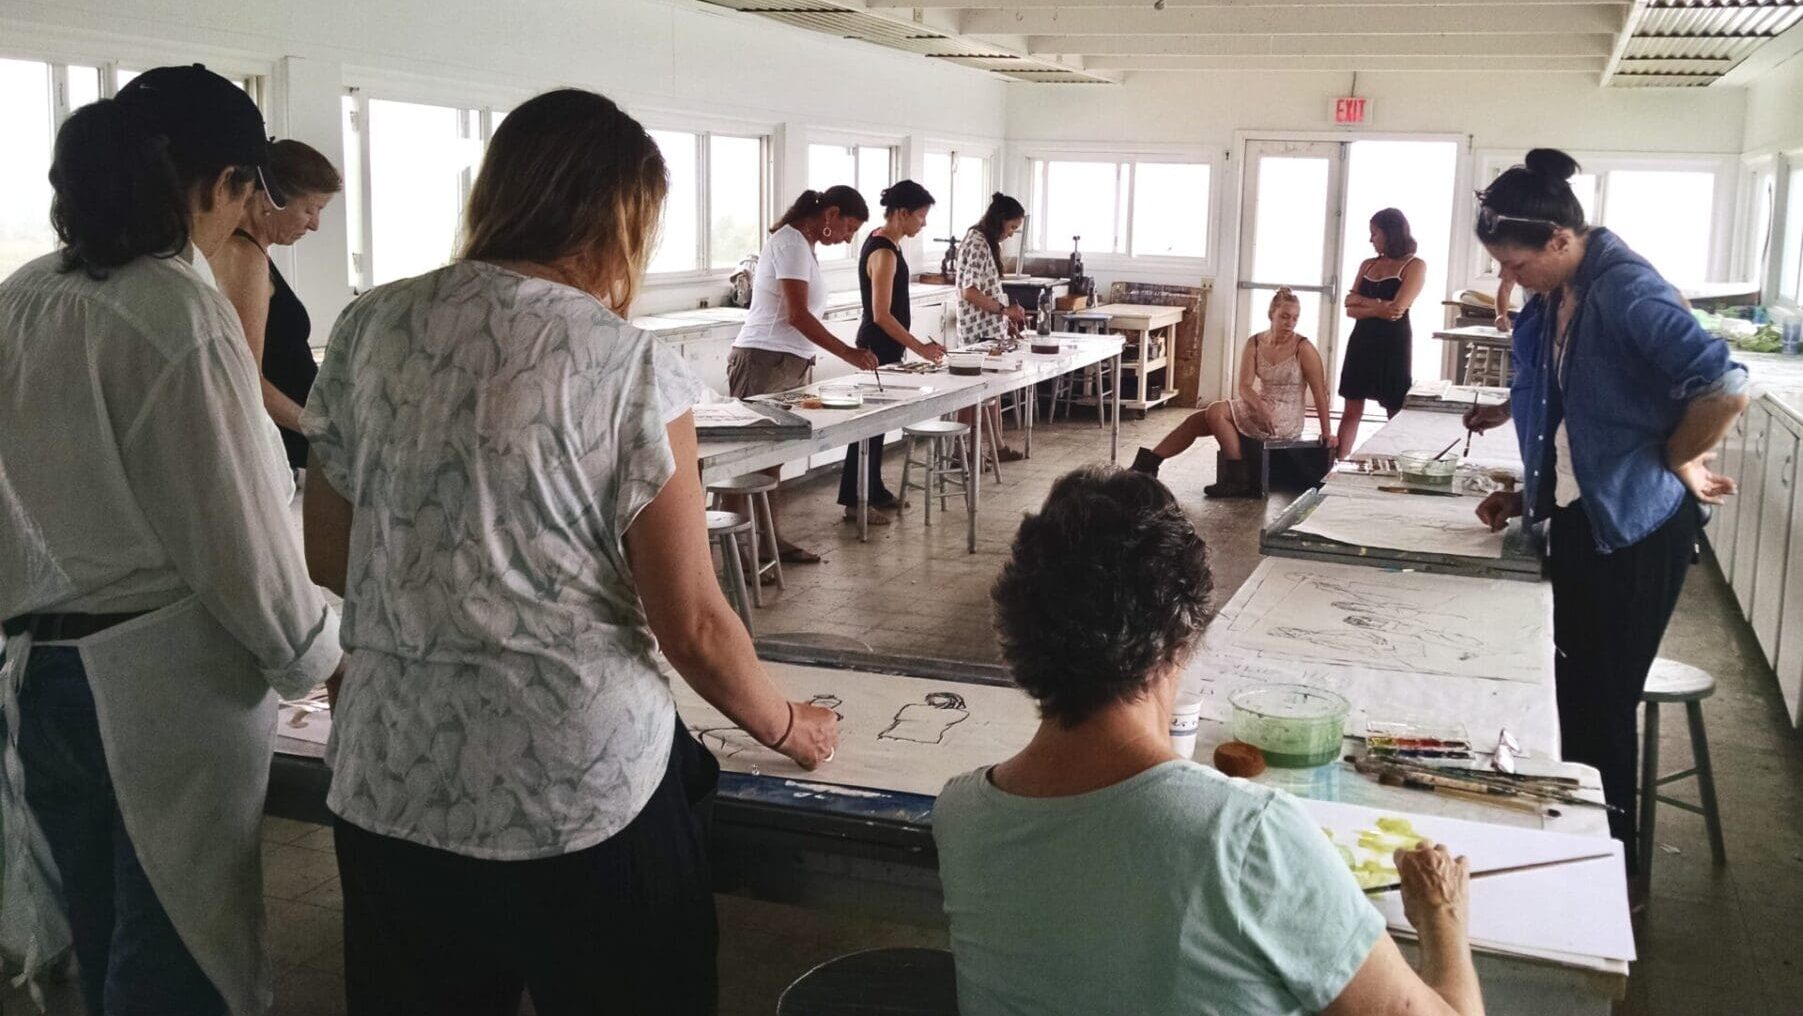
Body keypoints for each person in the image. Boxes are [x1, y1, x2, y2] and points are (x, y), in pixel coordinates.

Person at [300, 88, 838, 1015]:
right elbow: (695, 624)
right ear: (621, 218)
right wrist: (787, 726)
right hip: (576, 792)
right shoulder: (626, 363)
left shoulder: (368, 327)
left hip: (394, 777)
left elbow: (327, 554)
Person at [0, 65, 343, 1014]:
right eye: (249, 195)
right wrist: (322, 658)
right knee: (184, 954)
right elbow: (235, 535)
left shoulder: (21, 297)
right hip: (159, 689)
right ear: (223, 183)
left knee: (108, 925)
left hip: (43, 675)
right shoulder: (174, 311)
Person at [934, 467, 1485, 1016]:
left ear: (1015, 639)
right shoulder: (1241, 835)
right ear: (1184, 635)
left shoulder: (960, 813)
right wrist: (1442, 918)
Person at [1463, 148, 1747, 874]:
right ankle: (1574, 852)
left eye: (1515, 265)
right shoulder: (1559, 293)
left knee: (1599, 704)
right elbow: (1570, 410)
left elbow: (1722, 384)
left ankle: (1606, 874)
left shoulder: (1624, 291)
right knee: (1568, 691)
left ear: (1559, 241)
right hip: (1585, 517)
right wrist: (1533, 491)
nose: (1508, 280)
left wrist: (1677, 460)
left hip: (1635, 530)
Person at [727, 185, 874, 562]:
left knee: (771, 458)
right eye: (848, 227)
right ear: (831, 215)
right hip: (764, 362)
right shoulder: (791, 243)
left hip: (786, 363)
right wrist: (848, 353)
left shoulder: (802, 245)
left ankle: (768, 542)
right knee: (746, 458)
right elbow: (797, 315)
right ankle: (740, 552)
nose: (847, 238)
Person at [212, 139, 343, 471]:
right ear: (271, 198)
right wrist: (319, 429)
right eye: (310, 209)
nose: (314, 225)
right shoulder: (244, 258)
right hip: (284, 444)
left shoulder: (251, 252)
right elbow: (246, 379)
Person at [1131, 287, 1336, 496]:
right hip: (1260, 404)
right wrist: (1260, 408)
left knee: (1216, 411)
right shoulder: (1255, 342)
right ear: (1271, 314)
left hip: (1286, 415)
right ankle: (1147, 466)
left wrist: (1327, 432)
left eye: (1295, 318)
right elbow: (1244, 387)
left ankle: (1238, 480)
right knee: (1196, 421)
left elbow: (1320, 392)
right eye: (1284, 316)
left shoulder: (1304, 348)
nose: (1289, 323)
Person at [838, 179, 946, 525]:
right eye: (921, 216)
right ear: (901, 213)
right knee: (867, 425)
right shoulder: (883, 251)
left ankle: (874, 488)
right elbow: (882, 314)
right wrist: (921, 348)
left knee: (879, 423)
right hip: (876, 345)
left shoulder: (887, 244)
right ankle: (856, 501)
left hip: (887, 346)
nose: (923, 223)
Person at [1336, 208, 1426, 457]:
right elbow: (1349, 307)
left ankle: (1396, 460)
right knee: (1351, 406)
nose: (1371, 239)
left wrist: (1364, 302)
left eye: (1374, 233)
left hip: (1393, 343)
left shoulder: (1414, 266)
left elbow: (1397, 310)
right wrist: (1378, 306)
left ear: (1390, 233)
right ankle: (1336, 465)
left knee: (1394, 406)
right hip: (1361, 341)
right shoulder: (1368, 264)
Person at [955, 192, 1028, 461]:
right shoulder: (975, 243)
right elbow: (969, 292)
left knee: (992, 390)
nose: (1010, 234)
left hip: (990, 330)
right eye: (1011, 228)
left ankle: (996, 446)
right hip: (977, 333)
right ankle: (962, 451)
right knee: (972, 394)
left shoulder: (986, 243)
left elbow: (986, 288)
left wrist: (1004, 317)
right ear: (1000, 220)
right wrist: (1003, 310)